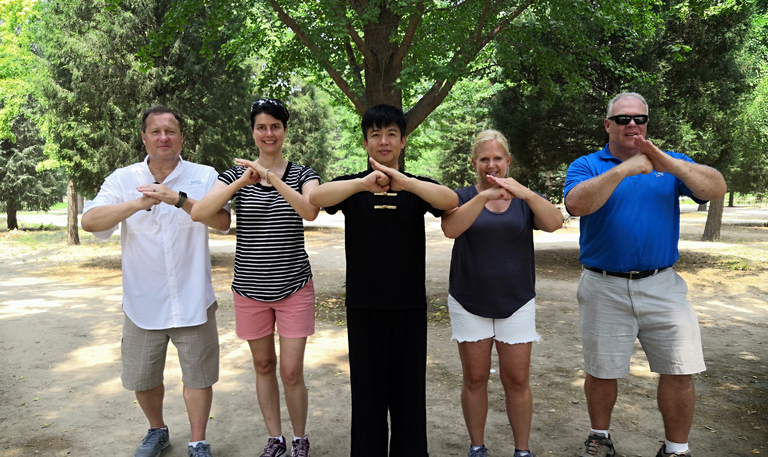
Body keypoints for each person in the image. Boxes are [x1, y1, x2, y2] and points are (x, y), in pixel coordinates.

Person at [563, 92, 728, 457]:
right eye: (622, 119)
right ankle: (600, 437)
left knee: (680, 368)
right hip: (603, 284)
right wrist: (625, 168)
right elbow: (576, 204)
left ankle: (676, 448)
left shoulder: (670, 165)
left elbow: (715, 187)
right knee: (602, 370)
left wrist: (665, 162)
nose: (632, 124)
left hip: (663, 285)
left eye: (639, 118)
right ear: (608, 125)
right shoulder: (588, 164)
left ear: (648, 123)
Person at [81, 105, 231, 457]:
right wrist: (137, 203)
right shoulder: (122, 178)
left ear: (181, 137)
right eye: (156, 131)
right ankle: (157, 430)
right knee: (143, 377)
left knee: (199, 376)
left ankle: (197, 441)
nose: (164, 137)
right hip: (142, 302)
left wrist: (177, 200)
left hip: (194, 298)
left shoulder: (203, 175)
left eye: (171, 131)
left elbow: (223, 221)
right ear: (144, 137)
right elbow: (90, 222)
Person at [308, 104, 458, 457]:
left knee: (408, 394)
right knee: (367, 394)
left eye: (391, 133)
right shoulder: (353, 187)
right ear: (365, 142)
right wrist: (362, 183)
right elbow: (315, 198)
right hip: (363, 305)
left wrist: (405, 182)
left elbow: (450, 201)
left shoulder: (417, 188)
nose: (383, 140)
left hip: (408, 305)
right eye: (375, 134)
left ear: (404, 141)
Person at [190, 98, 320, 457]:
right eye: (261, 127)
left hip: (294, 285)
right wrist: (241, 183)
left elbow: (310, 211)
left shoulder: (302, 174)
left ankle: (299, 440)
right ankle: (275, 439)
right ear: (253, 131)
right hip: (249, 289)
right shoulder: (234, 174)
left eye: (275, 126)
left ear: (284, 131)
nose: (268, 133)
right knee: (264, 365)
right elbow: (200, 212)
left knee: (291, 371)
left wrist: (272, 179)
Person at [441, 130, 563, 457]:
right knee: (476, 377)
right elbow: (451, 229)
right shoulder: (462, 195)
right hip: (469, 300)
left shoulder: (523, 199)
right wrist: (484, 195)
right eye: (484, 159)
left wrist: (524, 193)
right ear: (474, 163)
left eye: (497, 159)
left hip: (517, 300)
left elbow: (555, 222)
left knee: (517, 380)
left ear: (508, 162)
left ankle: (522, 450)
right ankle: (477, 446)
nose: (491, 165)